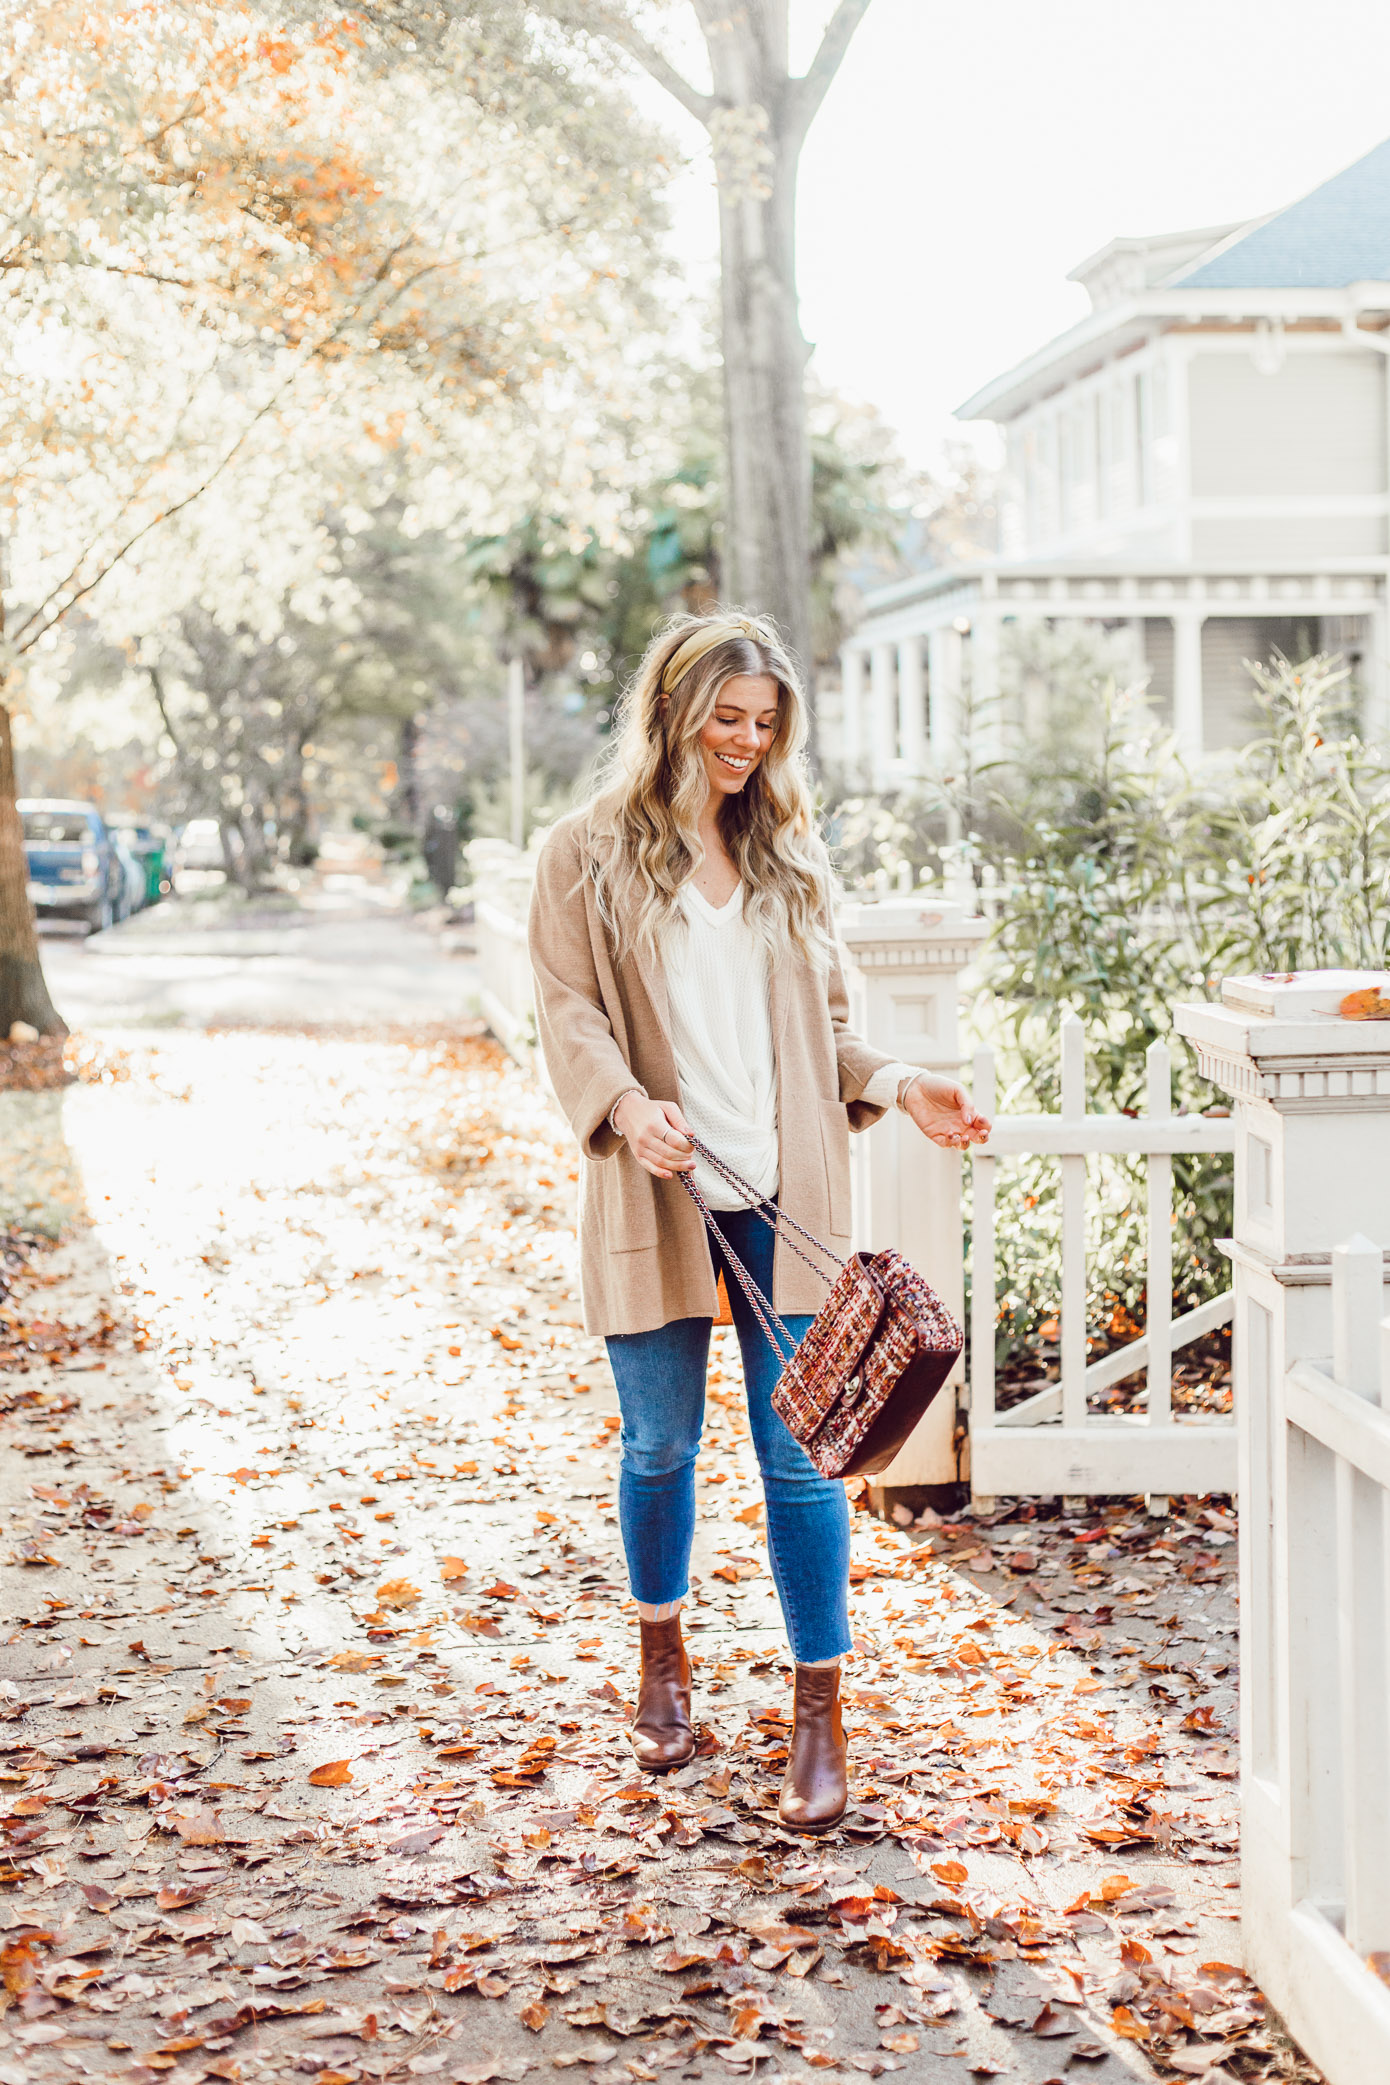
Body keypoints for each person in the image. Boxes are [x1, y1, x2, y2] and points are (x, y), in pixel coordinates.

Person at [528, 610, 990, 1833]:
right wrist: (627, 1109)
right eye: (725, 719)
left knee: (802, 1460)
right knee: (659, 1447)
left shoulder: (787, 857)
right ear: (671, 714)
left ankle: (818, 1715)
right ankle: (662, 1663)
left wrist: (900, 1084)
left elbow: (830, 1033)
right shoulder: (582, 854)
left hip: (789, 1203)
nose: (744, 744)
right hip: (660, 1190)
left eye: (764, 724)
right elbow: (569, 1013)